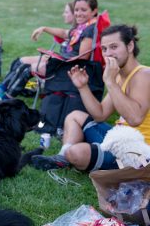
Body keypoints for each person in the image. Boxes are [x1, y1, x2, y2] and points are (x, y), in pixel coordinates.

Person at [32, 25, 150, 171]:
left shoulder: (144, 75)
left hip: (138, 153)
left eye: (114, 47)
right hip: (119, 139)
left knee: (76, 153)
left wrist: (111, 82)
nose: (108, 54)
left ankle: (73, 156)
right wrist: (83, 87)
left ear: (130, 45)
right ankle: (62, 159)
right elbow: (100, 115)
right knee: (74, 116)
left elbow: (135, 119)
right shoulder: (119, 76)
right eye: (105, 49)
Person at [0, 0, 78, 106]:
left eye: (66, 12)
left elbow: (74, 53)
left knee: (25, 68)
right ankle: (1, 89)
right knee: (19, 61)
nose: (63, 14)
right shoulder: (74, 30)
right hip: (58, 60)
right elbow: (63, 34)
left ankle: (4, 99)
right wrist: (44, 29)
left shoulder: (80, 33)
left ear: (74, 14)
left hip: (62, 67)